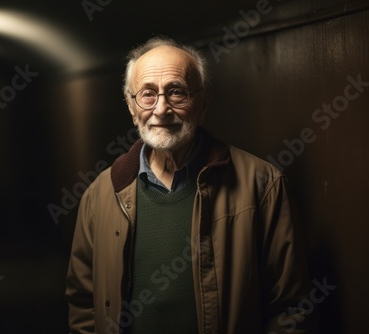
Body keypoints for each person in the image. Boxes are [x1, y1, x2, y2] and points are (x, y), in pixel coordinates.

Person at [65, 36, 317, 334]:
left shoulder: (262, 185)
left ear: (202, 103)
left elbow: (289, 308)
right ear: (131, 108)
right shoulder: (100, 195)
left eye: (177, 92)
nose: (161, 109)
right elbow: (84, 305)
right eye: (147, 94)